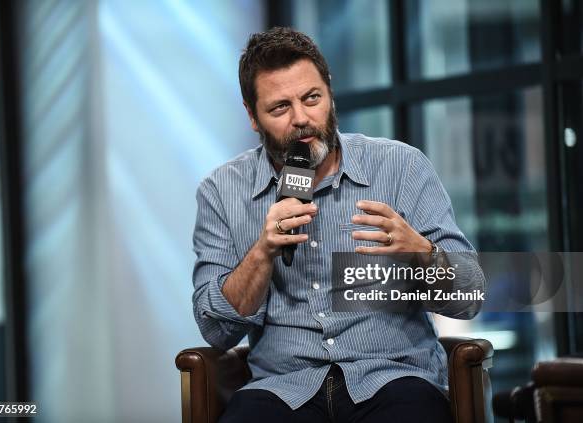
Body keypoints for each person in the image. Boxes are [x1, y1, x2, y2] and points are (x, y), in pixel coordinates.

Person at [191, 27, 485, 423]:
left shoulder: (400, 167)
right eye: (280, 108)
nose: (301, 119)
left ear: (330, 92)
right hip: (283, 389)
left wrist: (421, 252)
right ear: (252, 117)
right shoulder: (221, 191)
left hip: (393, 379)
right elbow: (215, 331)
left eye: (312, 98)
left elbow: (470, 296)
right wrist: (262, 253)